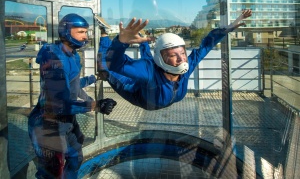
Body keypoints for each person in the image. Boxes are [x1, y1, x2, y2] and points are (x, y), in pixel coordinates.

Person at [103, 10, 252, 111]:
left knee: (147, 58)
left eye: (182, 52)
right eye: (173, 55)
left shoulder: (186, 68)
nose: (181, 59)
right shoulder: (149, 71)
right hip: (138, 95)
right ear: (161, 58)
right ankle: (103, 35)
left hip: (153, 82)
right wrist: (120, 42)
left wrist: (231, 26)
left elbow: (207, 44)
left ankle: (143, 41)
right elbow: (115, 64)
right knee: (106, 67)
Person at [28, 13, 117, 179]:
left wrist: (93, 78)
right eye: (81, 32)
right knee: (52, 172)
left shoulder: (73, 55)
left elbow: (72, 85)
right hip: (49, 124)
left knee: (75, 158)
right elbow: (58, 103)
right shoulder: (54, 57)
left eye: (86, 32)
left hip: (66, 120)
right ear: (67, 32)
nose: (86, 36)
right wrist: (96, 105)